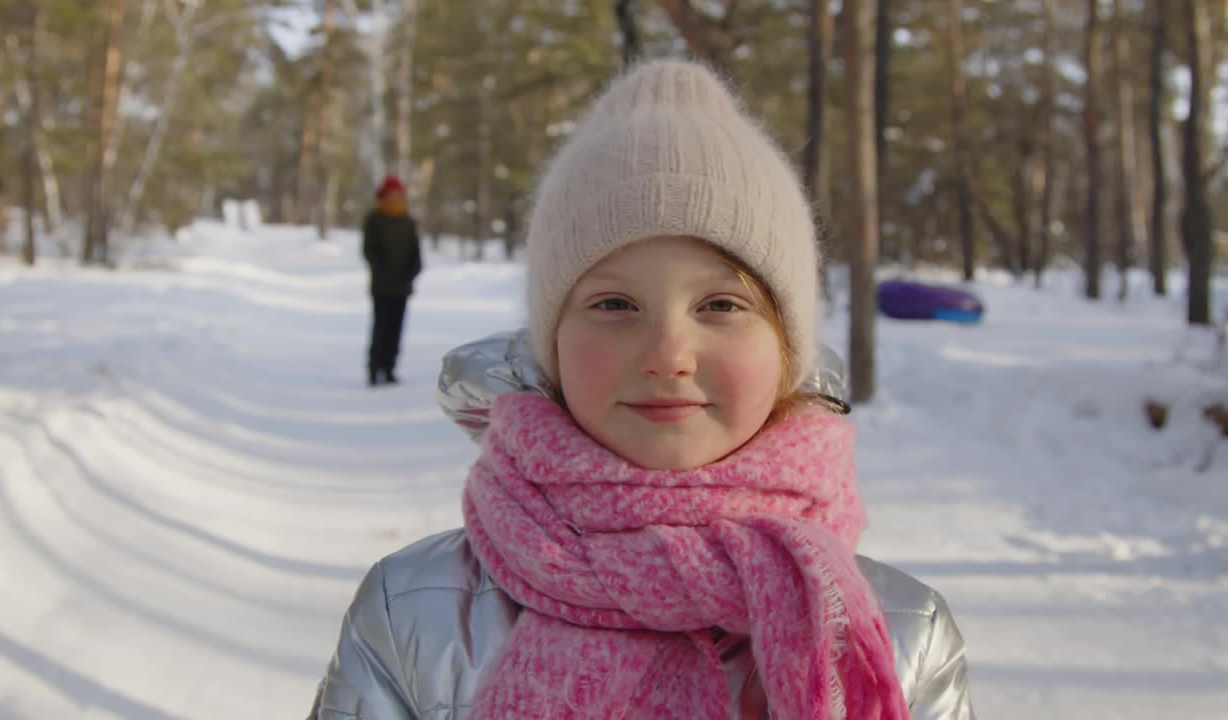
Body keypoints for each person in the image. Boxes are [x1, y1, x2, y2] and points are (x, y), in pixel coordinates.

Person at [313, 60, 974, 719]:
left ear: (786, 348)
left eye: (720, 305)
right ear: (553, 343)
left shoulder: (900, 638)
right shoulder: (411, 616)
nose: (667, 356)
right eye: (614, 305)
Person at [362, 175, 422, 386]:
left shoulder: (407, 220)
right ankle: (374, 367)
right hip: (381, 286)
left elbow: (416, 253)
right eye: (391, 194)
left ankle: (389, 368)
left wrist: (410, 273)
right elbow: (369, 250)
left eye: (398, 194)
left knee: (396, 329)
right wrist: (384, 272)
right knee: (380, 327)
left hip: (402, 287)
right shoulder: (375, 218)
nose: (395, 198)